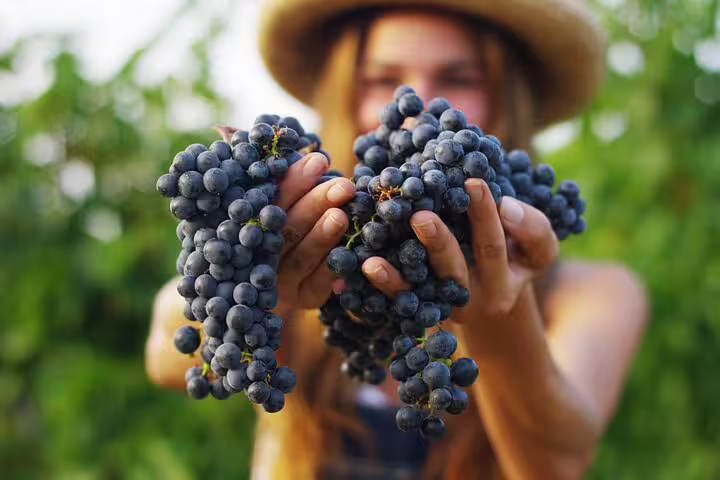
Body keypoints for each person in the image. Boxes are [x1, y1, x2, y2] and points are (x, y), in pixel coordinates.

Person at [145, 0, 649, 478]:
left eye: (459, 78)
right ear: (343, 92)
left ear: (507, 98)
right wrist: (270, 290)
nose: (416, 105)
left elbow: (555, 468)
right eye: (382, 79)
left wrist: (501, 316)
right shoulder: (318, 248)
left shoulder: (594, 293)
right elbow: (166, 352)